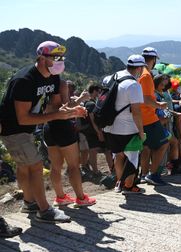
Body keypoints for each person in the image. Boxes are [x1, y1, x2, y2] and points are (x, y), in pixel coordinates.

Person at [0, 41, 86, 223]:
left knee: (25, 166)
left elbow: (53, 108)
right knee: (36, 165)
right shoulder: (24, 80)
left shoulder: (53, 78)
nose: (60, 61)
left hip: (28, 129)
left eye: (61, 57)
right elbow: (22, 118)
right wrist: (58, 115)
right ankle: (44, 210)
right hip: (13, 129)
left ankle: (29, 203)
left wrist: (71, 111)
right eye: (55, 57)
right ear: (41, 57)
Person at [43, 77, 96, 207]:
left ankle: (60, 197)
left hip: (48, 125)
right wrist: (81, 101)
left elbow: (53, 107)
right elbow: (65, 107)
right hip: (62, 126)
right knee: (73, 165)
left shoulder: (41, 84)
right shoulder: (60, 83)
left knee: (55, 166)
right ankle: (81, 198)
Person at [103, 54, 146, 194]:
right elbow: (136, 112)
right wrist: (141, 131)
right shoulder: (133, 85)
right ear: (139, 68)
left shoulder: (114, 76)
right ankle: (128, 186)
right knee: (133, 156)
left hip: (109, 126)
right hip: (127, 128)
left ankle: (118, 183)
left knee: (119, 155)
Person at [139, 47, 170, 185]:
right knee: (164, 143)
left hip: (140, 117)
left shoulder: (139, 72)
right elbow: (146, 99)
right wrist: (159, 105)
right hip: (148, 117)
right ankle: (153, 174)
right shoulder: (146, 75)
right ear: (153, 59)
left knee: (146, 148)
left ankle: (144, 174)